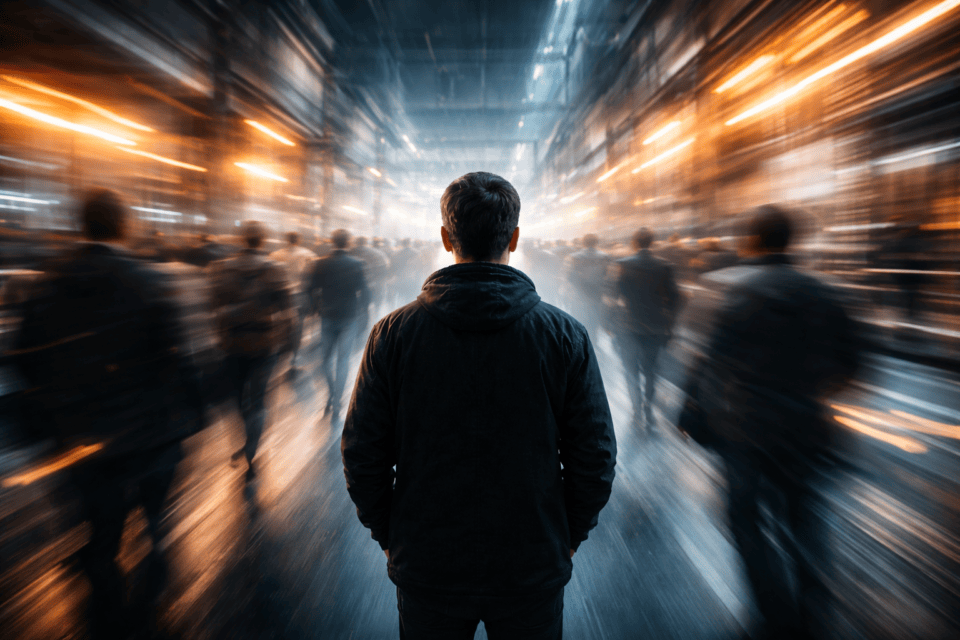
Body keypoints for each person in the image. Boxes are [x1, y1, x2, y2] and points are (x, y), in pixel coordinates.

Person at [342, 171, 617, 640]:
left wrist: (393, 536)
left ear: (446, 238)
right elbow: (595, 458)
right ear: (514, 237)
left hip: (428, 566)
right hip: (531, 568)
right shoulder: (565, 336)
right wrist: (564, 538)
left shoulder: (392, 335)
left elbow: (362, 454)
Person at [11, 189, 206, 639]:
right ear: (125, 226)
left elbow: (24, 358)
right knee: (156, 511)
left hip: (78, 436)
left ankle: (106, 608)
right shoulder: (152, 280)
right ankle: (155, 561)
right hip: (149, 430)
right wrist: (197, 408)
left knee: (98, 530)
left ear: (81, 225)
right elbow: (178, 356)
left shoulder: (45, 282)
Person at [682, 205, 861, 640]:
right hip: (806, 428)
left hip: (745, 431)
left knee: (745, 519)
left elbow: (706, 361)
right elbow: (853, 363)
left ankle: (775, 615)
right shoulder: (826, 292)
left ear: (751, 241)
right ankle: (814, 612)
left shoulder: (729, 290)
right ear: (791, 240)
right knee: (804, 516)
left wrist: (690, 412)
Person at [210, 221, 294, 480]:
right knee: (259, 402)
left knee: (237, 402)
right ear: (263, 240)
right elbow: (288, 312)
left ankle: (244, 440)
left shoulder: (221, 268)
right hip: (265, 346)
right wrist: (289, 344)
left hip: (232, 345)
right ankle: (251, 454)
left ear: (240, 239)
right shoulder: (276, 270)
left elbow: (213, 307)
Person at [614, 228, 681, 432]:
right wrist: (668, 319)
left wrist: (610, 324)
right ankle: (649, 409)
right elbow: (675, 298)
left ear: (634, 243)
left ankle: (636, 411)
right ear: (652, 242)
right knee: (651, 371)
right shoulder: (665, 266)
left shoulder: (623, 265)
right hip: (655, 328)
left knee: (631, 371)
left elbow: (614, 295)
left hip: (628, 327)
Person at [305, 229, 370, 420]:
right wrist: (364, 313)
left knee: (325, 360)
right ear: (348, 242)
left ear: (332, 242)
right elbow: (364, 291)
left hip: (327, 317)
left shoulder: (320, 263)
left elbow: (310, 289)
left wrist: (315, 308)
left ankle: (332, 393)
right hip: (349, 318)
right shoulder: (356, 263)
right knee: (343, 361)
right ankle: (337, 402)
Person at [270, 231, 318, 374]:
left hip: (280, 297)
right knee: (298, 328)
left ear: (286, 239)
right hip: (299, 296)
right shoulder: (308, 255)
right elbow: (312, 277)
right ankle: (294, 358)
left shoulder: (274, 255)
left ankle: (277, 358)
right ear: (299, 239)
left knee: (281, 327)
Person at [563, 234, 612, 343]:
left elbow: (569, 276)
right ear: (596, 242)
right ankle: (593, 341)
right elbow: (607, 276)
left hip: (579, 295)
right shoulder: (605, 256)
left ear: (583, 243)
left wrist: (569, 291)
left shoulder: (574, 257)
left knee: (579, 319)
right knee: (594, 320)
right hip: (597, 295)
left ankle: (580, 344)